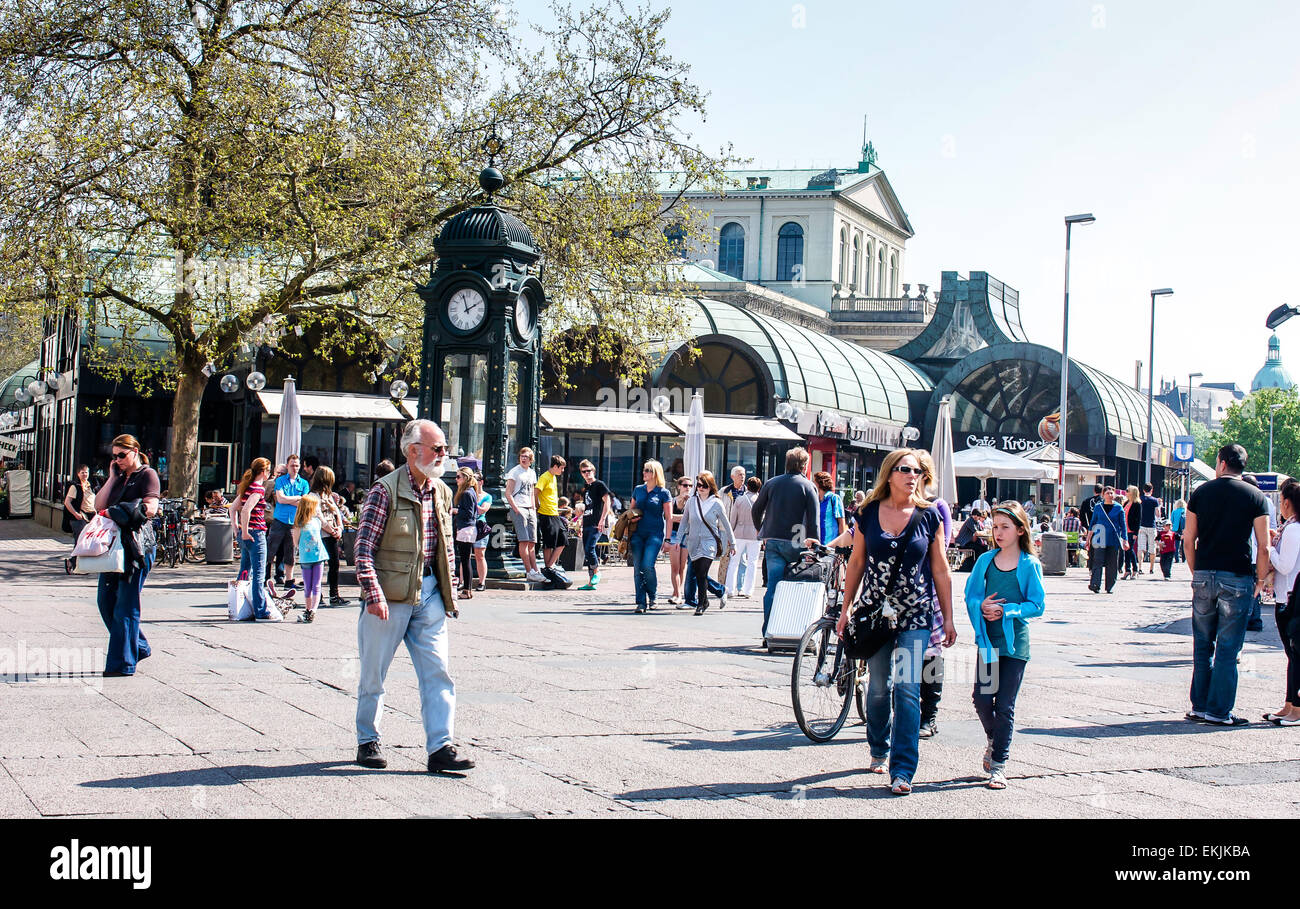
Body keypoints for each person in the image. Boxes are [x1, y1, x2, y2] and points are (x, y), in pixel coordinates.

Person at [353, 419, 473, 774]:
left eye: (445, 449)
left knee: (438, 672)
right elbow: (362, 548)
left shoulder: (442, 490)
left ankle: (441, 747)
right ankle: (367, 740)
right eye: (437, 449)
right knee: (374, 673)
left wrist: (449, 592)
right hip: (388, 597)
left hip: (430, 595)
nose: (443, 456)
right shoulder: (384, 490)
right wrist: (373, 593)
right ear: (412, 451)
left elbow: (445, 546)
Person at [836, 448, 956, 795]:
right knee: (878, 687)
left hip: (915, 613)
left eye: (917, 471)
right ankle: (878, 746)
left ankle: (903, 770)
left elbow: (939, 568)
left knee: (907, 689)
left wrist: (947, 617)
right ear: (889, 474)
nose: (911, 476)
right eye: (904, 469)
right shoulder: (868, 512)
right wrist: (845, 609)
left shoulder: (929, 515)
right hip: (875, 613)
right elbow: (857, 563)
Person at [1183, 443, 1269, 727]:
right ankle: (1219, 711)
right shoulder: (1256, 496)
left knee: (1202, 643)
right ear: (1242, 466)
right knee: (1228, 648)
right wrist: (1260, 578)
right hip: (1238, 575)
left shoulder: (1200, 492)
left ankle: (1199, 705)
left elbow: (1188, 538)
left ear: (1221, 463)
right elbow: (1263, 544)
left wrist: (1197, 570)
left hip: (1205, 572)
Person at [963, 502, 1046, 789]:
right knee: (983, 699)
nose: (998, 532)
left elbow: (1037, 605)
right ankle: (993, 738)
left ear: (1020, 530)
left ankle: (998, 764)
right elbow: (971, 595)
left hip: (1015, 645)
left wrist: (1008, 610)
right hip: (988, 641)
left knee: (1005, 705)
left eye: (1005, 527)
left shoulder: (1029, 564)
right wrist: (981, 605)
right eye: (995, 526)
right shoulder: (985, 561)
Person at [93, 435, 162, 676]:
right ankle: (138, 646)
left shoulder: (147, 474)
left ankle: (122, 664)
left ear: (135, 451)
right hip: (113, 546)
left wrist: (135, 510)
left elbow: (151, 505)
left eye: (122, 455)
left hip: (136, 545)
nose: (118, 460)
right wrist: (112, 477)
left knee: (126, 604)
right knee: (105, 600)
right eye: (114, 456)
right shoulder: (119, 477)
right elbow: (98, 505)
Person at [751, 447, 819, 645]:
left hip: (773, 540)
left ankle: (769, 632)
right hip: (798, 541)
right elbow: (814, 519)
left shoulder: (772, 483)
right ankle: (794, 630)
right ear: (804, 465)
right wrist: (814, 541)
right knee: (799, 587)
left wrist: (761, 530)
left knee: (773, 586)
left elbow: (756, 510)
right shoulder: (807, 486)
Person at [914, 450, 952, 739]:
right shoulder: (891, 505)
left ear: (924, 476)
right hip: (899, 590)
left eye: (912, 471)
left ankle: (930, 715)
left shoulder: (937, 507)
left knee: (930, 652)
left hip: (928, 589)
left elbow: (942, 551)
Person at [677, 470, 736, 616]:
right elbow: (684, 522)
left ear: (710, 487)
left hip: (709, 542)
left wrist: (733, 543)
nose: (701, 488)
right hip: (693, 542)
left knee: (702, 572)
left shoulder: (716, 503)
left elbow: (726, 523)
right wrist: (678, 540)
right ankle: (708, 599)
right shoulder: (692, 501)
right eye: (699, 485)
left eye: (704, 486)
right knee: (698, 573)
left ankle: (701, 604)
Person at [1266, 479, 1300, 725]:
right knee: (1292, 655)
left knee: (1296, 655)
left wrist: (1270, 549)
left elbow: (1285, 565)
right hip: (1286, 597)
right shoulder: (1291, 527)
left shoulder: (1294, 529)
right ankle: (1289, 704)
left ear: (1287, 502)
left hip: (1290, 598)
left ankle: (1296, 708)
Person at [629, 460, 673, 613]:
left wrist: (668, 540)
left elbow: (669, 517)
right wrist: (632, 518)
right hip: (637, 534)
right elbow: (630, 511)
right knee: (637, 568)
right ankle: (641, 602)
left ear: (655, 473)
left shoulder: (663, 493)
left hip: (654, 534)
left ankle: (653, 595)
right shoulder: (638, 490)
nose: (644, 473)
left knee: (647, 565)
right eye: (644, 470)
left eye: (648, 470)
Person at [235, 458, 275, 621]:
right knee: (259, 574)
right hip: (256, 533)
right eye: (269, 470)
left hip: (247, 534)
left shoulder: (246, 487)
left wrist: (236, 528)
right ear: (264, 472)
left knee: (244, 572)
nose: (270, 473)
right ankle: (260, 610)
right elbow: (245, 510)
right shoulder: (258, 490)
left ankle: (239, 606)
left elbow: (233, 508)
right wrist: (244, 531)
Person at [266, 454, 309, 591]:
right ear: (287, 466)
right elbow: (280, 499)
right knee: (270, 550)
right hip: (279, 520)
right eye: (292, 465)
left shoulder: (304, 483)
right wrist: (297, 498)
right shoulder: (280, 481)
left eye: (297, 465)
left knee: (290, 552)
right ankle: (264, 577)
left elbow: (304, 503)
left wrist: (290, 499)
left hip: (294, 522)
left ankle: (289, 580)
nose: (294, 468)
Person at [504, 448, 544, 583]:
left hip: (529, 508)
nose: (524, 458)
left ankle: (535, 570)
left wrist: (533, 508)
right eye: (522, 456)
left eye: (526, 456)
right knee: (524, 540)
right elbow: (508, 492)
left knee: (532, 541)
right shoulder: (514, 472)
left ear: (531, 459)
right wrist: (515, 508)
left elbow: (532, 492)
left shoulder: (532, 473)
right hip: (519, 507)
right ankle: (529, 571)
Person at [573, 459, 611, 590]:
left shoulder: (599, 485)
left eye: (588, 471)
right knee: (588, 551)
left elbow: (607, 502)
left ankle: (597, 572)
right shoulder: (586, 488)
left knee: (590, 548)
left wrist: (602, 520)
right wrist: (581, 523)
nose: (586, 473)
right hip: (587, 521)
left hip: (596, 523)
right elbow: (588, 506)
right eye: (584, 472)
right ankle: (591, 582)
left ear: (593, 471)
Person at [310, 467, 346, 606]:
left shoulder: (329, 496)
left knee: (334, 564)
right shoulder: (313, 497)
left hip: (331, 534)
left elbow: (338, 513)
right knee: (318, 566)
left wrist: (340, 529)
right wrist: (332, 530)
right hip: (319, 535)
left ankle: (334, 595)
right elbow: (318, 517)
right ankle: (317, 596)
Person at [292, 492, 326, 622]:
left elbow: (324, 524)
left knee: (316, 585)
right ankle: (308, 609)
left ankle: (313, 610)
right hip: (306, 558)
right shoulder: (299, 523)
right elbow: (296, 541)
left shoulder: (317, 521)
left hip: (319, 556)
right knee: (308, 585)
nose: (318, 509)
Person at [727, 477, 762, 599]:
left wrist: (730, 535)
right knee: (752, 563)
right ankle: (748, 590)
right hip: (755, 534)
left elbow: (733, 519)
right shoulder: (761, 500)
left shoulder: (740, 499)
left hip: (739, 533)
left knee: (734, 562)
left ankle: (730, 589)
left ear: (748, 485)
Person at [1088, 486, 1126, 594]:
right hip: (1100, 537)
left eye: (1111, 493)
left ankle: (1109, 586)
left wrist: (1125, 539)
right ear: (1103, 495)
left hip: (1113, 538)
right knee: (1097, 562)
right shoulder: (1098, 507)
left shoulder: (1119, 508)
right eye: (1107, 493)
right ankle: (1095, 584)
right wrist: (1088, 538)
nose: (1110, 495)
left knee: (1112, 563)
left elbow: (1123, 525)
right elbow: (1093, 523)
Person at [451, 467, 480, 600]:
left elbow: (468, 513)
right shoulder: (471, 492)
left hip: (466, 529)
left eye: (458, 477)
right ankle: (467, 589)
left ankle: (467, 590)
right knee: (465, 559)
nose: (456, 480)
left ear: (465, 478)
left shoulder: (467, 493)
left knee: (465, 560)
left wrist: (456, 511)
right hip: (468, 528)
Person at [62, 464, 96, 573]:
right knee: (81, 541)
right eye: (82, 472)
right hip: (79, 518)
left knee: (87, 542)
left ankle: (74, 563)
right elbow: (67, 502)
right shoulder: (75, 486)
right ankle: (77, 565)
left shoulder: (91, 486)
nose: (85, 474)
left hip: (91, 517)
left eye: (86, 472)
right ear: (78, 474)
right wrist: (76, 514)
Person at [536, 455, 567, 572]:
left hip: (554, 513)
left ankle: (549, 565)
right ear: (555, 466)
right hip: (546, 513)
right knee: (549, 542)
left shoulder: (553, 477)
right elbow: (536, 491)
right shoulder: (544, 477)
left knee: (563, 539)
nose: (562, 471)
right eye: (561, 468)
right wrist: (537, 506)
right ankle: (548, 567)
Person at [666, 474, 692, 604]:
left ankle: (678, 592)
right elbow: (669, 517)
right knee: (675, 567)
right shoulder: (673, 500)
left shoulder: (692, 501)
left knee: (683, 566)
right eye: (685, 485)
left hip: (687, 535)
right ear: (679, 486)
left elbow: (693, 519)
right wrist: (683, 518)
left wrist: (679, 517)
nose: (688, 488)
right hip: (675, 534)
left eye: (690, 486)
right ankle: (677, 593)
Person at [813, 471, 847, 545]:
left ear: (820, 483)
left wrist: (841, 545)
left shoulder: (834, 498)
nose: (812, 484)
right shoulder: (816, 500)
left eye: (814, 482)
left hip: (830, 545)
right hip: (817, 545)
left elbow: (841, 523)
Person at [1138, 482, 1162, 576]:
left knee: (1141, 548)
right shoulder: (1154, 500)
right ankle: (1151, 568)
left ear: (1143, 490)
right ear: (1152, 490)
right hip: (1151, 526)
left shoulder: (1140, 499)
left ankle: (1140, 567)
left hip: (1141, 526)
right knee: (1152, 548)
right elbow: (1158, 514)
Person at [472, 474, 491, 591]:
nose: (473, 481)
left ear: (481, 482)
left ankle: (482, 582)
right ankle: (462, 581)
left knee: (480, 555)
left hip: (480, 526)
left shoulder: (487, 496)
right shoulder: (468, 494)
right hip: (468, 526)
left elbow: (483, 509)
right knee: (465, 555)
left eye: (476, 479)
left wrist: (471, 503)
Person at [1171, 498, 1187, 563]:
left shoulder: (1174, 511)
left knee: (1176, 545)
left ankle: (1176, 559)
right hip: (1184, 530)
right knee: (1184, 545)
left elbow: (1172, 520)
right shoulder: (1185, 511)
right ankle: (1184, 559)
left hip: (1176, 529)